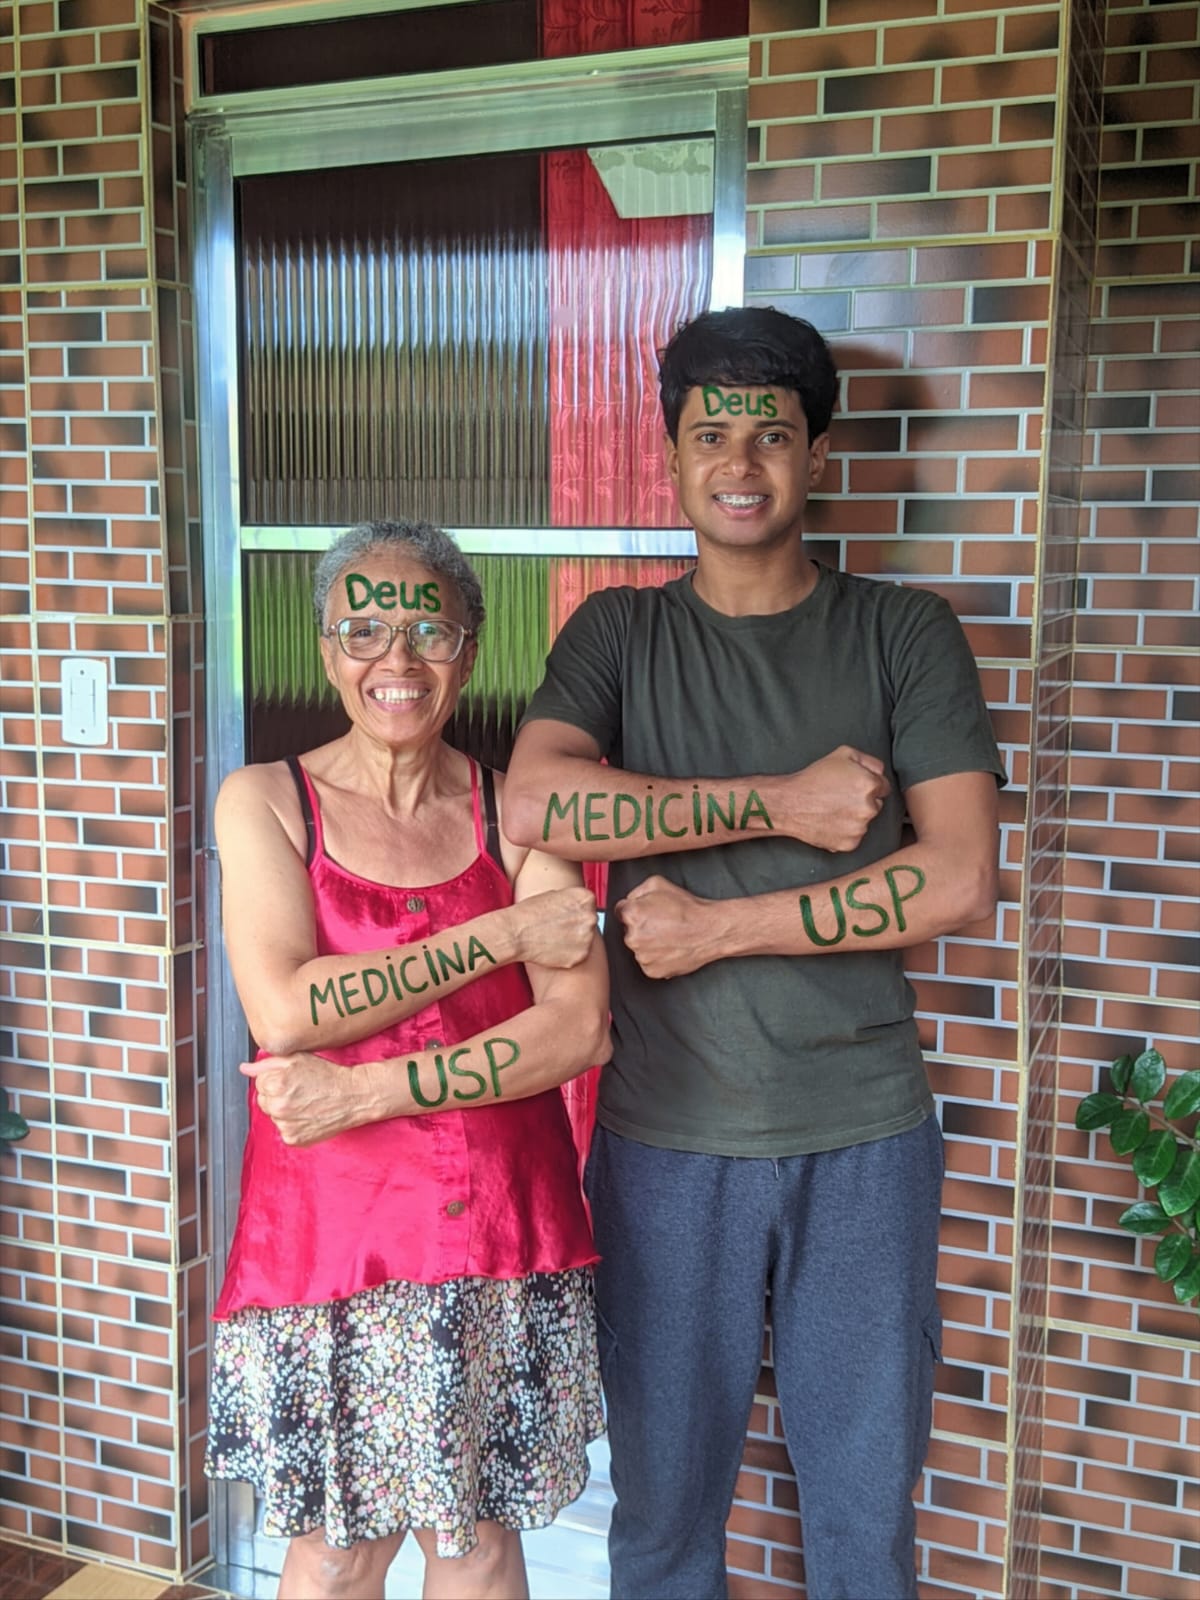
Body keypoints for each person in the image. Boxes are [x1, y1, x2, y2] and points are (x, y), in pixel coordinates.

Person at [502, 307, 1006, 1600]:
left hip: (865, 1140)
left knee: (860, 1517)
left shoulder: (904, 633)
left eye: (771, 435)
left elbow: (956, 875)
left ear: (817, 454)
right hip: (669, 1144)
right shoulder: (618, 637)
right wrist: (778, 802)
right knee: (665, 1520)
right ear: (669, 456)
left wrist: (724, 923)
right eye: (710, 433)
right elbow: (534, 805)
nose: (740, 463)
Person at [204, 519, 611, 1600]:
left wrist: (366, 1089)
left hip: (500, 1230)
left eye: (427, 629)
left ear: (470, 649)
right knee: (343, 1547)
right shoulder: (266, 801)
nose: (397, 658)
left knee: (475, 1543)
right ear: (328, 649)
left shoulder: (515, 815)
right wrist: (504, 938)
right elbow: (288, 1009)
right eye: (366, 628)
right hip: (336, 1243)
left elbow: (576, 1029)